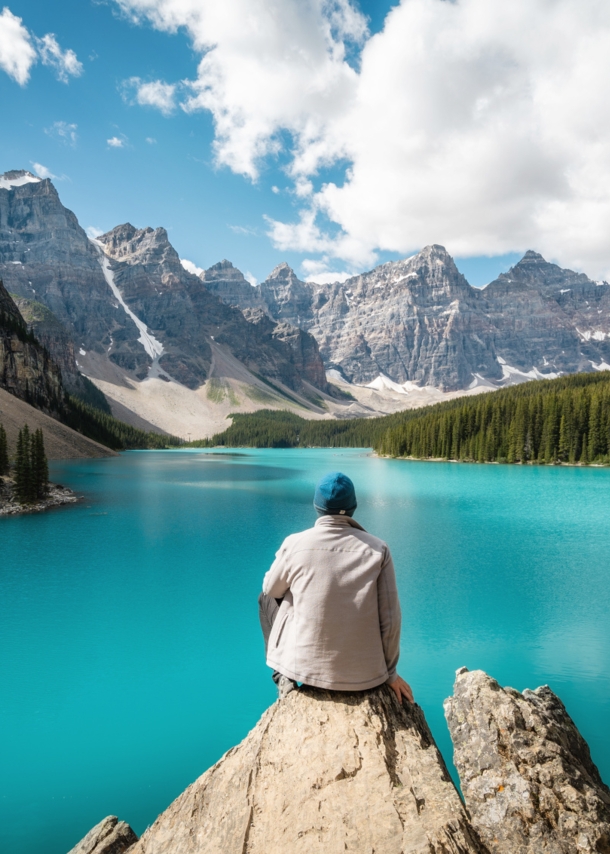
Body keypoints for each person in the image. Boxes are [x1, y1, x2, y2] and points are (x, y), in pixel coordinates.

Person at [258, 471, 413, 704]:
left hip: (305, 670)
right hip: (366, 676)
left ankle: (283, 676)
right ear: (354, 507)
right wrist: (390, 675)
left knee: (268, 597)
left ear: (316, 506)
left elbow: (271, 590)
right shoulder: (379, 549)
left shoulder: (295, 543)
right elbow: (391, 619)